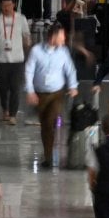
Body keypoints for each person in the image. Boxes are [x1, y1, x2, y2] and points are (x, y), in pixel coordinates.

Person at [24, 24, 79, 168]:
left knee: (50, 120)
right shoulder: (36, 51)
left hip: (57, 93)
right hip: (41, 94)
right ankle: (48, 155)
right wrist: (30, 91)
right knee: (45, 126)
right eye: (62, 36)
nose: (64, 39)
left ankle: (55, 128)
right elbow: (29, 71)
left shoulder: (64, 51)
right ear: (53, 36)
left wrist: (73, 85)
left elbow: (70, 69)